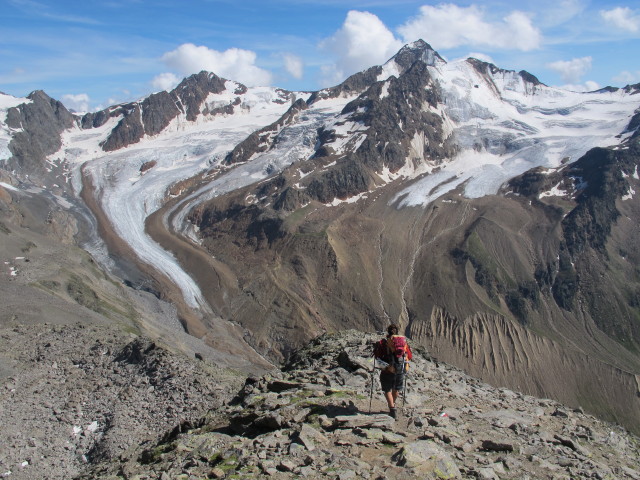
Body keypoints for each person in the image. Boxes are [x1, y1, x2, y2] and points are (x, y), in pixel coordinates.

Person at [373, 324, 412, 419]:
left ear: (388, 332)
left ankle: (392, 408)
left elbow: (377, 355)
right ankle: (393, 405)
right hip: (400, 369)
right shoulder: (404, 343)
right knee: (396, 388)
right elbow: (409, 356)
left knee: (387, 389)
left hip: (388, 369)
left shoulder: (383, 342)